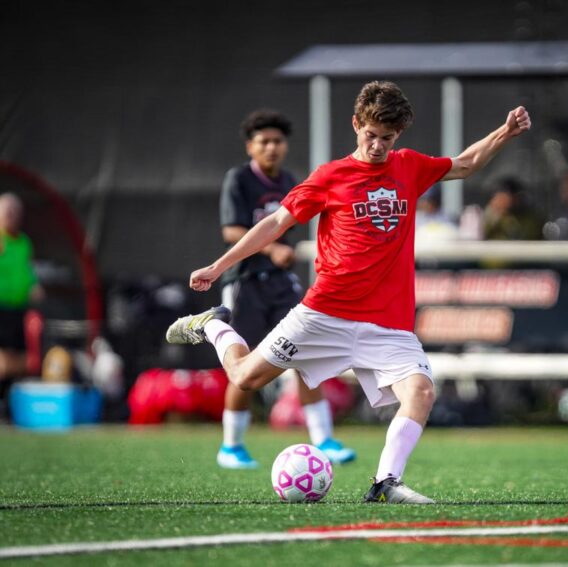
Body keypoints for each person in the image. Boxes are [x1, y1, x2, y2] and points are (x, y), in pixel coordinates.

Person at [166, 81, 531, 503]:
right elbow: (275, 224)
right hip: (325, 313)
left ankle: (385, 484)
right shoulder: (330, 176)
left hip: (387, 322)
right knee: (245, 378)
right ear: (356, 124)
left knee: (421, 392)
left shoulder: (409, 166)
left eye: (387, 138)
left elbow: (465, 164)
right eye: (370, 135)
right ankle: (213, 326)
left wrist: (505, 132)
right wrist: (218, 266)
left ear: (399, 136)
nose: (377, 146)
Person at [215, 109, 355, 469]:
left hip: (281, 284)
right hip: (246, 283)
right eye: (264, 142)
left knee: (306, 356)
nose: (272, 148)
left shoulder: (291, 180)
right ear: (251, 146)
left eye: (277, 141)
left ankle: (323, 439)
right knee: (244, 365)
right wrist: (272, 248)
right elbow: (231, 231)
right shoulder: (239, 179)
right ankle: (231, 446)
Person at [0, 193, 43, 381]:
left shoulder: (24, 242)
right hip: (1, 306)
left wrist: (34, 286)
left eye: (15, 212)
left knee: (23, 357)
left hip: (19, 308)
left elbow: (29, 270)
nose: (11, 216)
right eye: (7, 212)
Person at [482, 177, 544, 241]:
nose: (502, 202)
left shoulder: (529, 218)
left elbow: (532, 236)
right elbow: (481, 234)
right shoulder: (489, 215)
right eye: (500, 199)